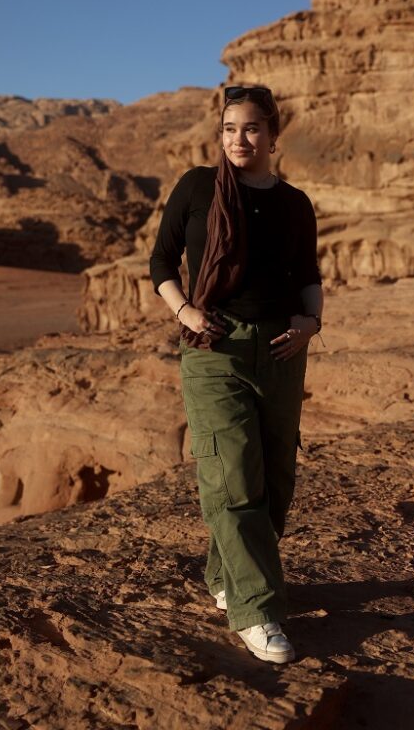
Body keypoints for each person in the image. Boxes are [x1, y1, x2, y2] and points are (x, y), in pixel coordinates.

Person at [149, 84, 323, 664]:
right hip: (214, 350)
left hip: (279, 350)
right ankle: (258, 611)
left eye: (251, 129)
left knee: (275, 481)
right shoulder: (198, 187)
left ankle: (225, 577)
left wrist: (311, 323)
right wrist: (185, 311)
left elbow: (308, 274)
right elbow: (161, 261)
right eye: (229, 129)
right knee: (232, 474)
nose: (238, 140)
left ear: (274, 135)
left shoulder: (294, 203)